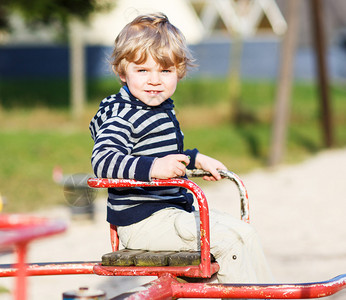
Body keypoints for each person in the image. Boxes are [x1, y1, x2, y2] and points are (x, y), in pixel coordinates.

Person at [89, 12, 273, 284]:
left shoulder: (158, 110)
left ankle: (265, 291)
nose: (155, 80)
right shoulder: (122, 116)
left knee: (244, 233)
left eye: (165, 70)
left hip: (170, 214)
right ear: (122, 71)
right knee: (232, 242)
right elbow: (103, 160)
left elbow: (162, 155)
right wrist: (153, 168)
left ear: (179, 71)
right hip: (143, 222)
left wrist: (195, 159)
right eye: (142, 70)